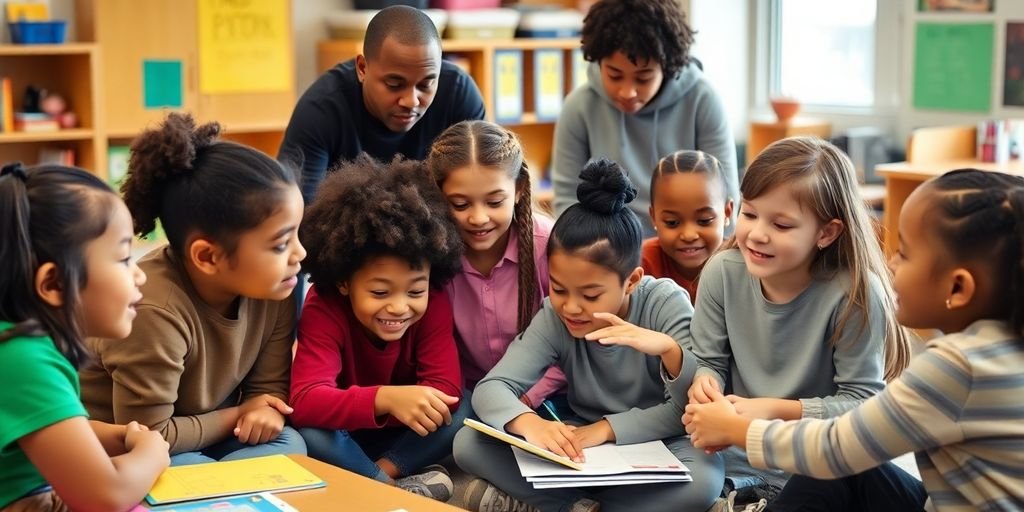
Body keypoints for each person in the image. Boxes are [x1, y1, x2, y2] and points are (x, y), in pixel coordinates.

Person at [685, 168, 1024, 511]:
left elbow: (836, 447)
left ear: (958, 288)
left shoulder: (957, 367)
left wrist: (739, 429)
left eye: (904, 254)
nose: (890, 265)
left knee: (827, 465)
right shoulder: (999, 345)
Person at [453, 159, 724, 512]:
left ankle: (561, 504)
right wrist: (531, 424)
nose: (571, 307)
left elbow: (690, 409)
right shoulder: (555, 315)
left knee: (704, 481)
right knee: (468, 443)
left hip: (662, 438)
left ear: (632, 281)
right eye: (560, 289)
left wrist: (669, 351)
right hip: (581, 440)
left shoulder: (665, 302)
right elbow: (493, 387)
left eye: (590, 295)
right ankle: (586, 504)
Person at [684, 137, 912, 502]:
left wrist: (772, 409)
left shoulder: (855, 292)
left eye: (782, 225)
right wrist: (706, 382)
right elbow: (708, 360)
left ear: (826, 232)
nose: (757, 233)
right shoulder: (721, 272)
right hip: (727, 454)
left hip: (814, 463)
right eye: (749, 213)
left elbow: (864, 405)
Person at [78, 113, 308, 465]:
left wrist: (268, 413)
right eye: (280, 244)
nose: (300, 253)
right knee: (179, 468)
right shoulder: (152, 310)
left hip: (207, 433)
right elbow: (147, 436)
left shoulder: (274, 287)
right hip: (128, 447)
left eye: (296, 233)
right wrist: (239, 414)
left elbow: (268, 391)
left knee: (290, 443)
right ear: (208, 256)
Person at [290, 155, 466, 502]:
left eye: (415, 291)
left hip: (404, 434)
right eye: (380, 292)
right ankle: (390, 486)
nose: (399, 307)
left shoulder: (434, 301)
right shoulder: (323, 306)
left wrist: (410, 404)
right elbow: (305, 399)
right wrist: (386, 398)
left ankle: (380, 476)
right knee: (308, 428)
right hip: (344, 430)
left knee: (463, 408)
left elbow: (446, 389)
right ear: (344, 282)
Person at [0, 162, 168, 512]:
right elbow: (105, 496)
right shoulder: (20, 358)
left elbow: (42, 432)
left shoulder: (21, 345)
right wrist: (153, 453)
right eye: (123, 259)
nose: (139, 276)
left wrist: (116, 437)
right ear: (54, 284)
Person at [552, 0, 737, 236]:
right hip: (612, 253)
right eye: (614, 75)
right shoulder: (578, 106)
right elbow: (567, 201)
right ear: (598, 62)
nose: (627, 92)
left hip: (686, 248)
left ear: (667, 66)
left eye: (643, 78)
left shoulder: (703, 100)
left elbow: (726, 197)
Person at [279, 5, 486, 203]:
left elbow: (486, 186)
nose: (411, 101)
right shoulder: (321, 111)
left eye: (426, 84)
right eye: (394, 84)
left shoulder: (458, 93)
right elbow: (299, 218)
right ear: (362, 68)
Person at [426, 120, 565, 414]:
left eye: (494, 202)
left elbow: (576, 344)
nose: (478, 218)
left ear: (518, 190)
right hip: (468, 399)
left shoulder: (549, 246)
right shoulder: (432, 254)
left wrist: (525, 399)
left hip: (547, 396)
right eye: (461, 205)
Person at [643, 150, 734, 301]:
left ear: (727, 212)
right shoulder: (641, 265)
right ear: (653, 217)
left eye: (704, 221)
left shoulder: (739, 266)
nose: (689, 235)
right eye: (672, 222)